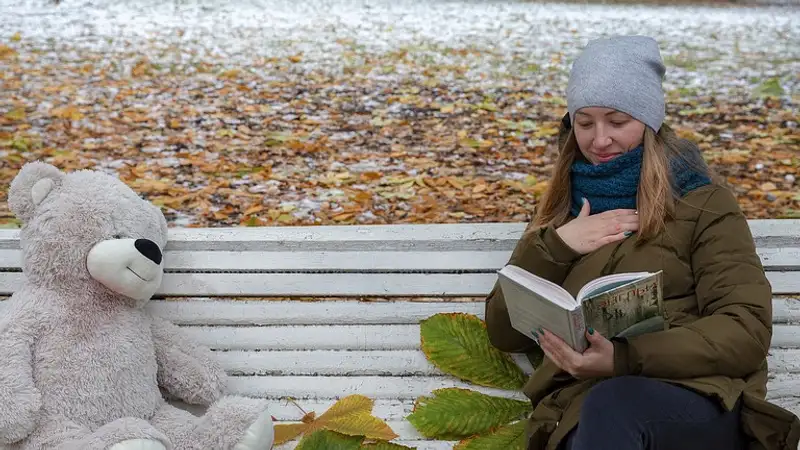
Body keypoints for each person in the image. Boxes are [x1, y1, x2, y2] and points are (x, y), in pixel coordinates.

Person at [484, 35, 800, 450]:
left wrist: (623, 358)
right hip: (580, 410)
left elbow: (744, 329)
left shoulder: (703, 203)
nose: (599, 140)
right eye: (584, 123)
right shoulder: (562, 210)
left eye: (617, 122)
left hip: (697, 397)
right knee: (602, 412)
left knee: (612, 407)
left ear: (649, 122)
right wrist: (557, 247)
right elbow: (505, 333)